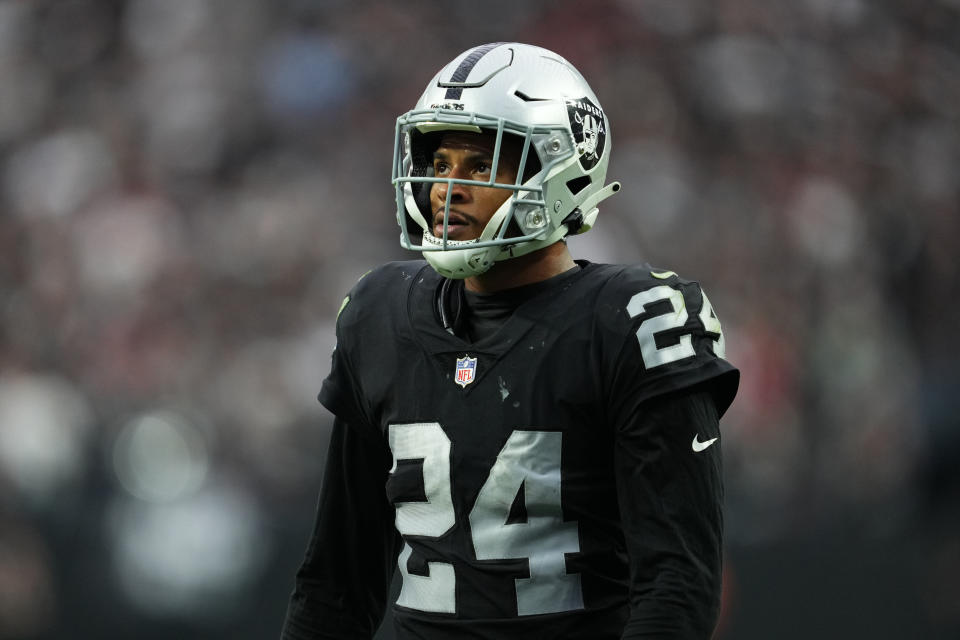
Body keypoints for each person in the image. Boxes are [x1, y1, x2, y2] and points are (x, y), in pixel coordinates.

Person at [281, 42, 739, 639]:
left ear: (562, 166)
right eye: (440, 163)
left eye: (481, 165)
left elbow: (677, 586)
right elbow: (335, 585)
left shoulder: (630, 321)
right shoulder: (381, 316)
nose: (449, 188)